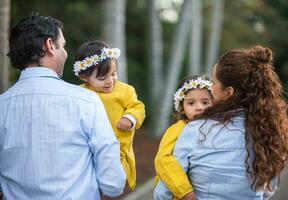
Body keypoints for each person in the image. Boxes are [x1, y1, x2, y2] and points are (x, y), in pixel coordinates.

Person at [0, 13, 126, 199]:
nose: (66, 53)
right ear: (50, 46)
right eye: (63, 46)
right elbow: (113, 184)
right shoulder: (86, 101)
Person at [154, 45, 288, 199]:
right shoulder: (267, 132)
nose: (210, 87)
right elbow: (268, 189)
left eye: (214, 82)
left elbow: (164, 190)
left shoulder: (194, 130)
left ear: (228, 92)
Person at [73, 40, 146, 190]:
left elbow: (138, 107)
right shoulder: (79, 93)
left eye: (113, 74)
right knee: (89, 182)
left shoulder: (124, 90)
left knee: (112, 183)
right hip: (88, 149)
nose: (110, 81)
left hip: (117, 148)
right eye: (102, 78)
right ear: (84, 77)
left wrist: (130, 117)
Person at [154, 75, 213, 200]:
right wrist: (185, 191)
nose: (199, 107)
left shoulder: (216, 128)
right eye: (191, 103)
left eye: (205, 102)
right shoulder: (178, 129)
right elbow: (162, 159)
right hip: (180, 193)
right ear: (182, 108)